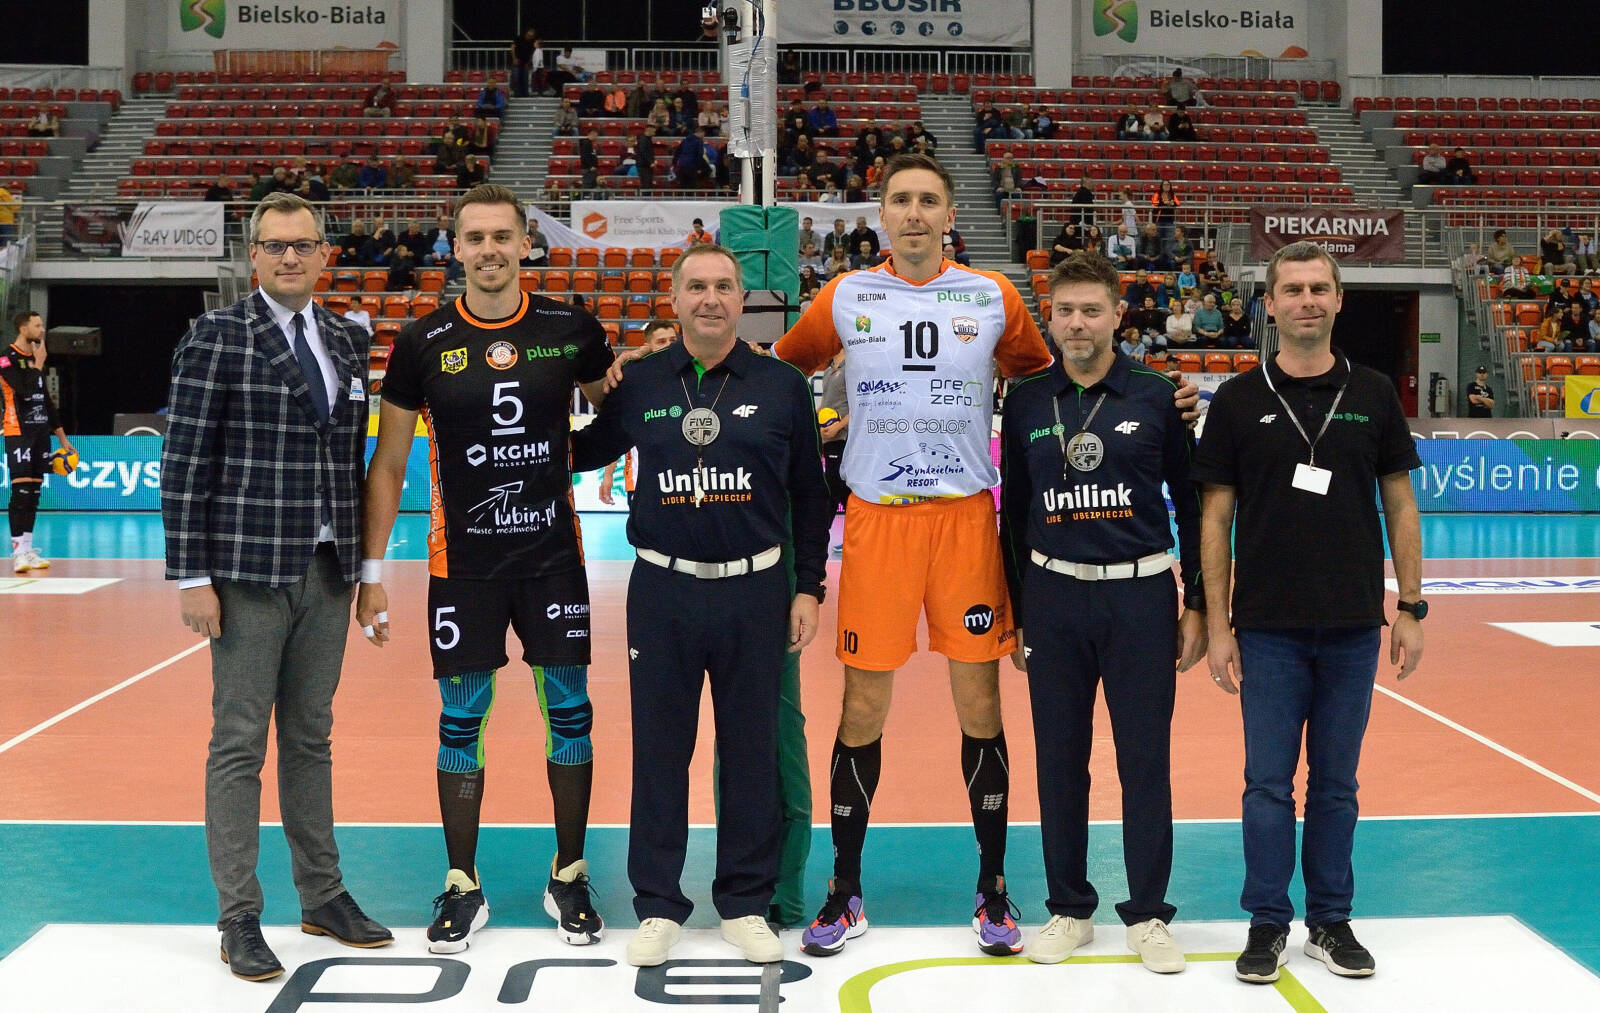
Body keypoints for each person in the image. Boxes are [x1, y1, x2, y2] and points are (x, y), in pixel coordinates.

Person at [772, 153, 1199, 959]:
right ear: (880, 213)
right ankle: (845, 889)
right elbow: (780, 372)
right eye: (901, 199)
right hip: (877, 522)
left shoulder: (993, 296)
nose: (914, 213)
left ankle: (993, 888)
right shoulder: (845, 295)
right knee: (861, 709)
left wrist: (1158, 388)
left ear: (950, 213)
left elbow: (1060, 378)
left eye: (928, 200)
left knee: (981, 707)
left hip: (967, 520)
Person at [356, 184, 615, 955]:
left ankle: (569, 873)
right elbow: (389, 461)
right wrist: (372, 569)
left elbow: (617, 418)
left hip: (553, 560)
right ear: (456, 248)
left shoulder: (571, 329)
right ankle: (462, 883)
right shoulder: (421, 342)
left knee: (570, 712)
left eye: (503, 236)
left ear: (525, 243)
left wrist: (566, 460)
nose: (490, 249)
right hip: (461, 565)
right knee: (460, 721)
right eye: (476, 238)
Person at [571, 244, 830, 967]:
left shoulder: (782, 384)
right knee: (660, 751)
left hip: (757, 589)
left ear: (742, 299)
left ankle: (745, 902)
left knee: (750, 752)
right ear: (675, 299)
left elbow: (810, 495)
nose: (710, 298)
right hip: (663, 589)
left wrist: (808, 587)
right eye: (696, 287)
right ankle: (658, 904)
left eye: (723, 286)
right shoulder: (642, 380)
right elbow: (584, 451)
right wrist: (544, 394)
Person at [159, 192, 391, 981]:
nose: (290, 257)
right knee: (238, 742)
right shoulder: (217, 335)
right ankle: (239, 914)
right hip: (247, 573)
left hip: (327, 573)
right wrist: (193, 575)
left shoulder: (347, 338)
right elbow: (183, 461)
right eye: (275, 245)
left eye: (303, 244)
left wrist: (365, 573)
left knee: (310, 736)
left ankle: (322, 895)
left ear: (325, 254)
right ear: (253, 255)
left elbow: (350, 462)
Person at [1194, 241, 1423, 986]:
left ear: (1339, 299)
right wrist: (1219, 626)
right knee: (1266, 784)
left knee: (1336, 785)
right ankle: (1266, 921)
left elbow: (1400, 504)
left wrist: (1411, 605)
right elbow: (1214, 518)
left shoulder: (1375, 392)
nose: (1306, 301)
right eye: (1291, 289)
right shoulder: (1237, 400)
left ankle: (1329, 919)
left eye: (1319, 288)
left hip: (1354, 627)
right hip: (1266, 630)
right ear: (1269, 304)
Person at [1000, 252, 1205, 972]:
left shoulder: (1159, 395)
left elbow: (1193, 503)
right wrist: (1018, 612)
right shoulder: (1027, 399)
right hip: (1053, 597)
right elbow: (1013, 514)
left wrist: (1198, 602)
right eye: (1065, 311)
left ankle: (1148, 914)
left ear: (1119, 315)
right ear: (1048, 317)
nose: (1078, 323)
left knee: (1144, 760)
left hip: (1140, 596)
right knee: (1060, 760)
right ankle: (1068, 908)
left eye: (1092, 310)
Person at [2, 312, 75, 572]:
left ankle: (28, 550)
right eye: (37, 325)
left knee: (34, 493)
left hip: (41, 434)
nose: (42, 329)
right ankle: (18, 552)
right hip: (18, 432)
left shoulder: (35, 360)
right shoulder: (6, 359)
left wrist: (62, 438)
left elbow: (46, 402)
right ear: (23, 329)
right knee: (20, 493)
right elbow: (24, 392)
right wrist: (38, 364)